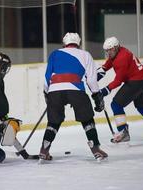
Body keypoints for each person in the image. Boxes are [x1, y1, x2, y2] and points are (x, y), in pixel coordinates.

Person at [39, 32, 108, 162]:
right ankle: (96, 150)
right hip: (76, 89)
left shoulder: (54, 54)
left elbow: (46, 78)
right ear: (79, 43)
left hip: (55, 90)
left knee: (53, 122)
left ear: (64, 44)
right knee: (87, 120)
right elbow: (92, 80)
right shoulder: (85, 54)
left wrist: (46, 94)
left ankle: (44, 150)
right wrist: (97, 98)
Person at [98, 36, 143, 143]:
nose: (108, 53)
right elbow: (107, 65)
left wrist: (104, 91)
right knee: (142, 107)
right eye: (107, 50)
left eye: (110, 50)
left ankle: (123, 133)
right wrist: (96, 75)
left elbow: (118, 81)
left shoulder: (121, 58)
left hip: (136, 81)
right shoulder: (119, 52)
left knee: (116, 104)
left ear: (116, 47)